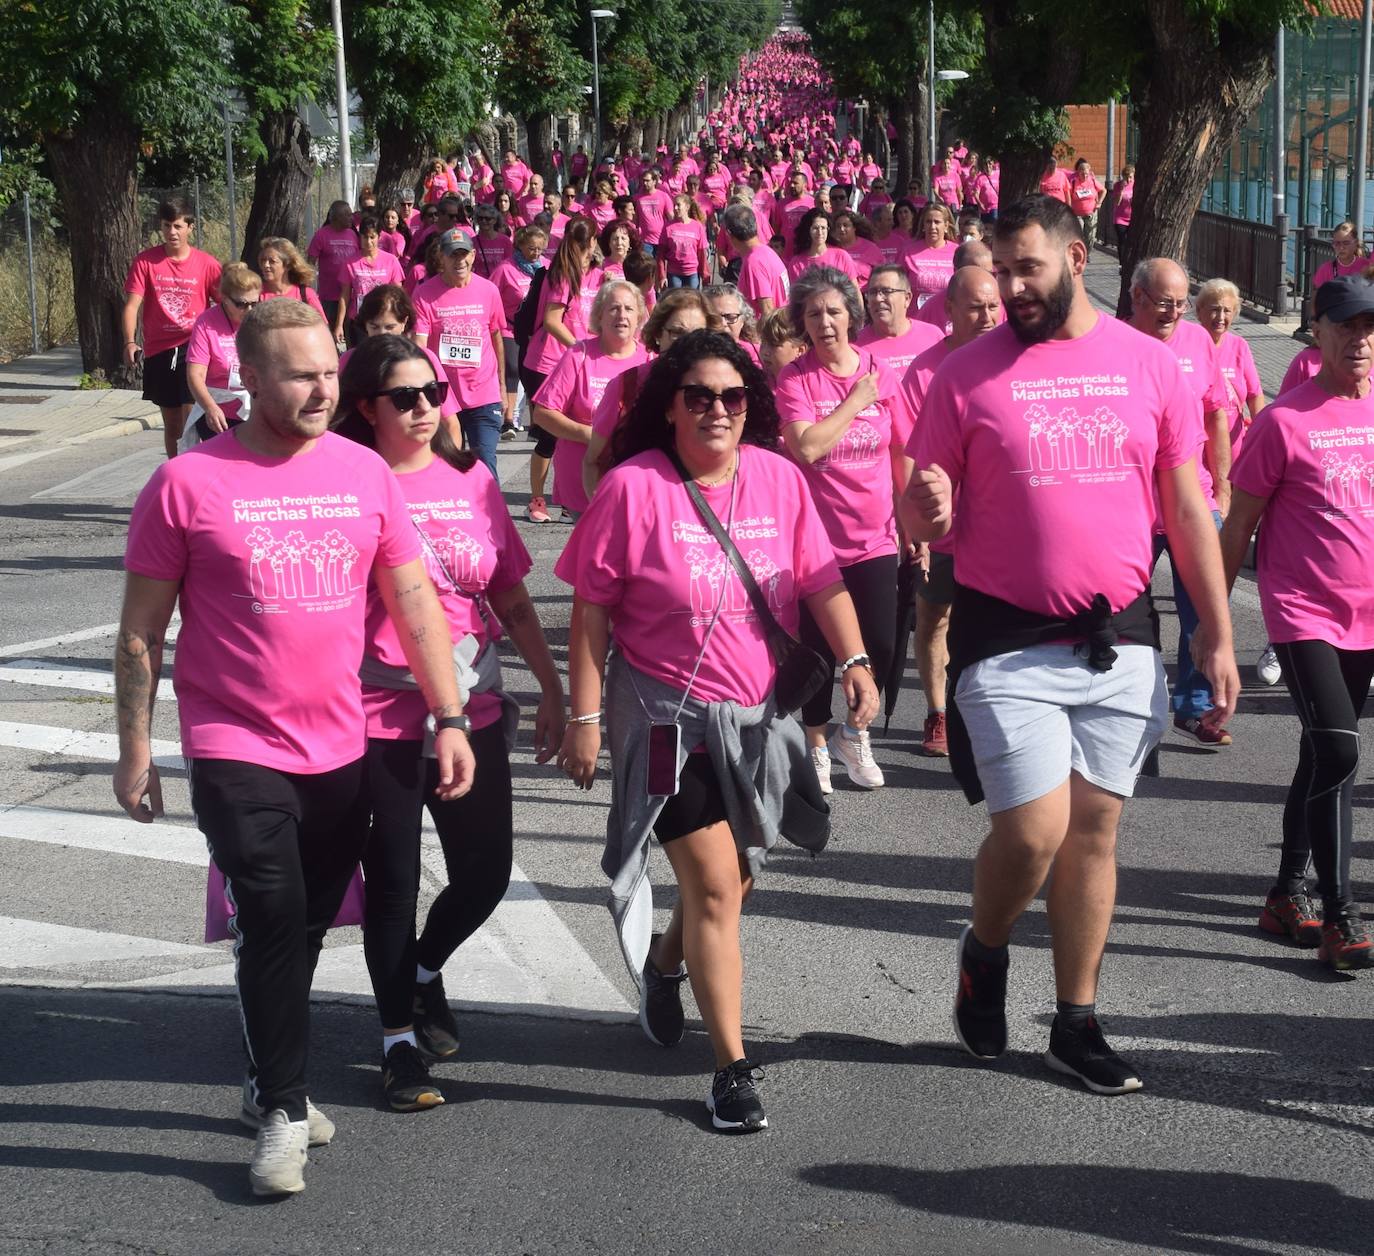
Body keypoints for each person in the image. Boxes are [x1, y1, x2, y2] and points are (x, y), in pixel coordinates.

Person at [114, 298, 474, 1195]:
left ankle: (265, 1070)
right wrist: (135, 750)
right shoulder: (187, 484)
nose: (323, 389)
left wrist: (451, 715)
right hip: (233, 740)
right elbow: (139, 636)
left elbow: (414, 602)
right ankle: (281, 1106)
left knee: (306, 926)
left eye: (328, 371)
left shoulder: (364, 473)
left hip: (339, 741)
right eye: (301, 375)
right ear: (251, 379)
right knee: (272, 911)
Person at [902, 194, 1238, 1095]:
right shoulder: (965, 374)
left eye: (1028, 269)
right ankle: (987, 946)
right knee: (1036, 829)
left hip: (1119, 636)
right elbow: (919, 494)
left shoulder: (1149, 365)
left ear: (1076, 255)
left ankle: (1077, 1023)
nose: (1011, 288)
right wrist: (925, 508)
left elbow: (1187, 508)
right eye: (1000, 271)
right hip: (1005, 636)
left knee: (1095, 832)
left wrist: (1217, 633)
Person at [554, 329, 878, 1133]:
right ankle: (730, 1069)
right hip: (668, 719)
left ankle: (665, 966)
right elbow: (591, 613)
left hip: (759, 718)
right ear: (670, 406)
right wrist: (585, 717)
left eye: (733, 397)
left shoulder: (776, 478)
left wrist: (856, 660)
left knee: (739, 880)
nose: (717, 410)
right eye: (698, 396)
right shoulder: (632, 489)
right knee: (713, 885)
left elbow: (820, 578)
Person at [334, 336, 565, 1106]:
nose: (427, 406)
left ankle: (424, 972)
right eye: (406, 396)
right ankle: (398, 1044)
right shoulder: (347, 483)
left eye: (433, 391)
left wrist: (556, 691)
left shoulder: (472, 480)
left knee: (486, 872)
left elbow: (511, 598)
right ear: (367, 407)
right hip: (380, 712)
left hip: (475, 703)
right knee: (393, 884)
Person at [1220, 275, 1374, 972]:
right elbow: (1238, 526)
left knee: (1321, 753)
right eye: (1347, 326)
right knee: (1340, 752)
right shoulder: (1283, 422)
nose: (1362, 340)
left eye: (1371, 327)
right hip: (1304, 610)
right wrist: (1214, 625)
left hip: (1367, 614)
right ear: (1318, 332)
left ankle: (1286, 892)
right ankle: (1340, 914)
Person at [774, 267, 909, 792]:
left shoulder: (881, 371)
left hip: (876, 537)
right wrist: (855, 401)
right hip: (814, 544)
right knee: (817, 650)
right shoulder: (796, 378)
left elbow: (899, 451)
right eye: (813, 314)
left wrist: (912, 525)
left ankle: (856, 734)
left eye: (833, 312)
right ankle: (816, 745)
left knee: (878, 644)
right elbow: (805, 447)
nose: (825, 322)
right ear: (801, 323)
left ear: (851, 316)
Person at [896, 266, 1003, 756]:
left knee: (988, 623)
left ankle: (980, 710)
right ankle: (938, 713)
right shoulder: (925, 370)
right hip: (943, 525)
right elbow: (911, 454)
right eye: (976, 307)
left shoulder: (1011, 362)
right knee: (934, 616)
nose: (987, 316)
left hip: (997, 525)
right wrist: (915, 525)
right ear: (951, 311)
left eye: (993, 306)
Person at [1127, 258, 1234, 746]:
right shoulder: (1114, 343)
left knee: (1203, 607)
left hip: (1195, 498)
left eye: (1180, 303)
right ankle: (1126, 697)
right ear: (1137, 298)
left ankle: (1192, 706)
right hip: (1134, 504)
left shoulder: (1198, 343)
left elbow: (1216, 415)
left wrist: (1225, 483)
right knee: (1127, 609)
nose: (1174, 312)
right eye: (1164, 302)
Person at [582, 289, 720, 497]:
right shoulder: (625, 385)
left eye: (697, 334)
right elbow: (593, 461)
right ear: (658, 334)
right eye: (676, 333)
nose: (687, 344)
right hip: (639, 506)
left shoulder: (723, 389)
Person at [532, 281, 649, 523]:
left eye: (629, 309)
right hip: (583, 481)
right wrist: (594, 435)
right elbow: (543, 413)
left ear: (639, 316)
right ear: (599, 315)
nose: (622, 315)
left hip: (637, 479)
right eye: (613, 308)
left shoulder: (649, 359)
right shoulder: (579, 354)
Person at [121, 196, 223, 459]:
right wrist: (130, 342)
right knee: (173, 424)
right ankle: (175, 471)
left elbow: (227, 304)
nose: (172, 232)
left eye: (178, 226)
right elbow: (132, 305)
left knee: (191, 417)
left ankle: (195, 474)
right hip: (160, 350)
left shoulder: (207, 264)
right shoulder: (146, 262)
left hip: (194, 349)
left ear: (190, 227)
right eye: (167, 226)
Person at [411, 228, 509, 481]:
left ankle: (491, 518)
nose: (460, 261)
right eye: (453, 255)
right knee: (447, 464)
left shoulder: (488, 291)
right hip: (444, 397)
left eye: (464, 254)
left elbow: (497, 336)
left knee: (485, 462)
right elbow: (419, 345)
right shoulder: (424, 295)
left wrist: (502, 387)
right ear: (441, 258)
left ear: (474, 256)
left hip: (484, 394)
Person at [522, 218, 601, 522]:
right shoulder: (562, 275)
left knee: (571, 434)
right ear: (591, 240)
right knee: (550, 435)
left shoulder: (592, 273)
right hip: (545, 363)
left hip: (572, 364)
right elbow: (552, 322)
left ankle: (567, 497)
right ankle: (537, 500)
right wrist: (580, 349)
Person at [338, 284, 460, 431]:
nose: (382, 334)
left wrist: (445, 454)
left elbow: (451, 424)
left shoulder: (424, 359)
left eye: (390, 327)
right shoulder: (350, 359)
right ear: (365, 324)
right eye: (374, 327)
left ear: (404, 323)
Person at [184, 262, 259, 444]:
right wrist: (210, 407)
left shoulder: (261, 320)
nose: (248, 310)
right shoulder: (206, 323)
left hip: (255, 410)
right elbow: (195, 374)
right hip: (219, 414)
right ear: (224, 298)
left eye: (254, 303)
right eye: (241, 304)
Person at [855, 264, 943, 378]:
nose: (878, 298)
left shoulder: (933, 337)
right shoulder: (856, 347)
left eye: (886, 291)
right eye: (872, 292)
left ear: (907, 298)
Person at [334, 213, 406, 348]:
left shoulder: (391, 261)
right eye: (365, 237)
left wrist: (400, 320)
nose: (368, 242)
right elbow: (345, 295)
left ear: (379, 237)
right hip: (359, 321)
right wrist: (339, 325)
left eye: (372, 237)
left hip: (384, 321)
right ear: (359, 237)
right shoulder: (350, 262)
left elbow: (398, 293)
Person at [722, 204, 790, 319]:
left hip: (767, 333)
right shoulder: (766, 252)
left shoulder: (754, 262)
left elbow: (767, 310)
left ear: (728, 233)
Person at [307, 201, 361, 330]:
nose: (351, 218)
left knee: (350, 330)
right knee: (329, 330)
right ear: (336, 217)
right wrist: (307, 288)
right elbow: (309, 263)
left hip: (351, 295)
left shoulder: (353, 234)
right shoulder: (321, 235)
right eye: (347, 215)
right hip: (329, 296)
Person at [901, 204, 959, 308]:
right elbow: (897, 284)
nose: (932, 226)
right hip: (916, 318)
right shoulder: (908, 251)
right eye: (928, 222)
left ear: (946, 226)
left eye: (937, 222)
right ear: (923, 225)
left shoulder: (958, 252)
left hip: (947, 318)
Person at [258, 238, 327, 320]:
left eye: (272, 261)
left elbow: (322, 327)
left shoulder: (305, 295)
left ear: (288, 265)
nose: (266, 265)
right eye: (263, 260)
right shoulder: (256, 295)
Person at [787, 208, 858, 283]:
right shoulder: (796, 263)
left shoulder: (841, 256)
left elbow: (855, 291)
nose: (820, 232)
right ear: (808, 230)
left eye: (823, 228)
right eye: (815, 228)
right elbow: (795, 293)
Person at [661, 193, 710, 290]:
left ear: (687, 207)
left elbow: (701, 254)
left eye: (678, 205)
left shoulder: (697, 226)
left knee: (692, 302)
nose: (675, 208)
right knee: (676, 303)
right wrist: (662, 275)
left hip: (692, 273)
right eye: (674, 205)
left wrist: (705, 274)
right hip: (674, 273)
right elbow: (661, 254)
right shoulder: (668, 227)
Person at [755, 306, 806, 380]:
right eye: (763, 342)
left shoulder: (808, 386)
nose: (765, 352)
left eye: (774, 344)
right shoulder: (758, 382)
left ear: (800, 350)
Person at [1068, 158, 1105, 253]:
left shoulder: (1092, 181)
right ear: (1078, 172)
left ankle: (1087, 252)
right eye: (1082, 173)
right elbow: (1067, 193)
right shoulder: (1073, 182)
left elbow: (1103, 190)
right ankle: (1079, 252)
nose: (1084, 176)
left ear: (1089, 173)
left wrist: (1099, 202)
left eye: (1086, 174)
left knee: (1090, 236)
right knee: (1079, 232)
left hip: (1091, 212)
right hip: (1077, 213)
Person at [1111, 165, 1135, 255]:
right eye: (1127, 177)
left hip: (1132, 217)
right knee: (1122, 240)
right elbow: (1116, 203)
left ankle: (1129, 261)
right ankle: (1122, 263)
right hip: (1120, 218)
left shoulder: (1136, 184)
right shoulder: (1117, 185)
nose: (1129, 180)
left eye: (1131, 177)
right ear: (1123, 177)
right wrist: (1121, 190)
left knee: (1131, 241)